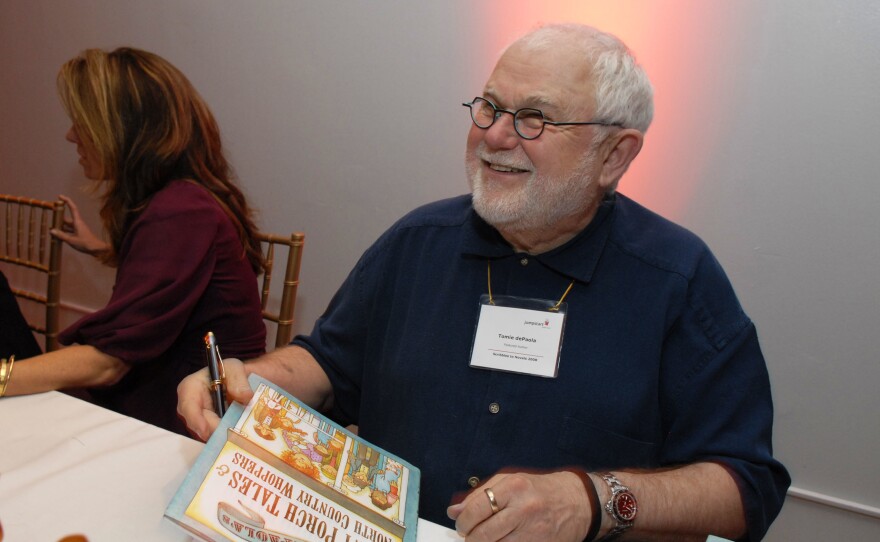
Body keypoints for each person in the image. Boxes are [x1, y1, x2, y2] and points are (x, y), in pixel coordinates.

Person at [178, 23, 789, 541]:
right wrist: (246, 381)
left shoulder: (679, 282)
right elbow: (330, 364)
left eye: (534, 119)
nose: (495, 135)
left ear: (615, 156)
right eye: (491, 107)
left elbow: (746, 486)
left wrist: (592, 501)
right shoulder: (417, 242)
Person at [0, 47, 267, 436]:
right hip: (165, 396)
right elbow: (177, 276)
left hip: (189, 419)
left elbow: (110, 362)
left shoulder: (180, 211)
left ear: (125, 130)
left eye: (82, 121)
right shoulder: (184, 199)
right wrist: (106, 250)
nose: (71, 134)